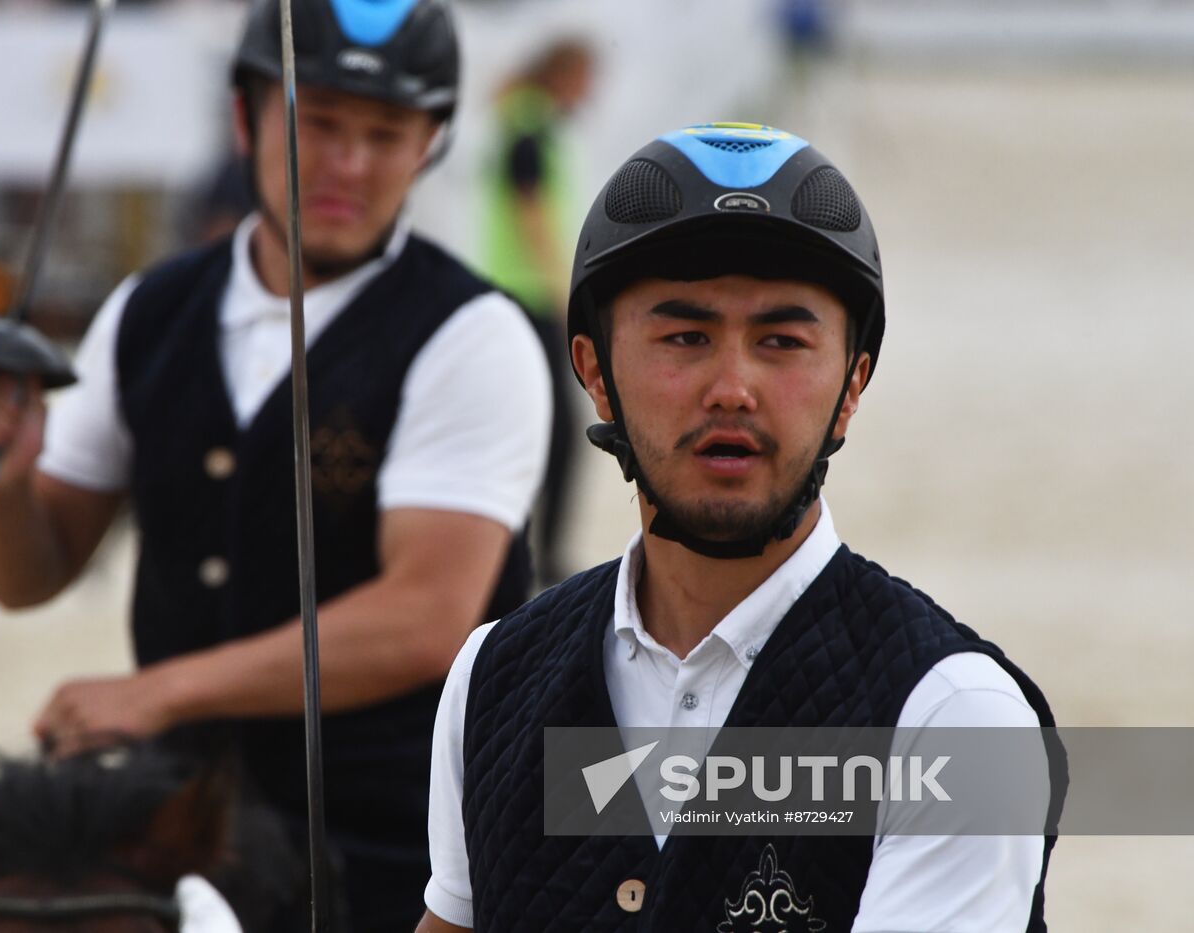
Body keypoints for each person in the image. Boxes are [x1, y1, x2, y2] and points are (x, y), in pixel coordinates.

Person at [0, 1, 551, 930]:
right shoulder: (147, 311)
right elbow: (27, 574)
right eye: (319, 124)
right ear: (245, 120)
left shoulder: (474, 336)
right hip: (192, 838)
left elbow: (427, 618)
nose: (350, 165)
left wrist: (158, 692)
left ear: (431, 144)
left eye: (386, 133)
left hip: (415, 848)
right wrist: (0, 482)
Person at [417, 123, 1060, 932]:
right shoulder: (491, 677)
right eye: (685, 336)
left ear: (852, 384)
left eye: (782, 341)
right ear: (595, 372)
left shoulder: (957, 719)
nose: (732, 387)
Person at [478, 39, 594, 584]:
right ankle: (536, 556)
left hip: (521, 293)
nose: (590, 93)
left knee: (541, 429)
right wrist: (564, 285)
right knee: (557, 433)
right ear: (563, 73)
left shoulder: (525, 123)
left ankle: (530, 552)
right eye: (586, 78)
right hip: (529, 296)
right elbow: (532, 217)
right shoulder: (529, 129)